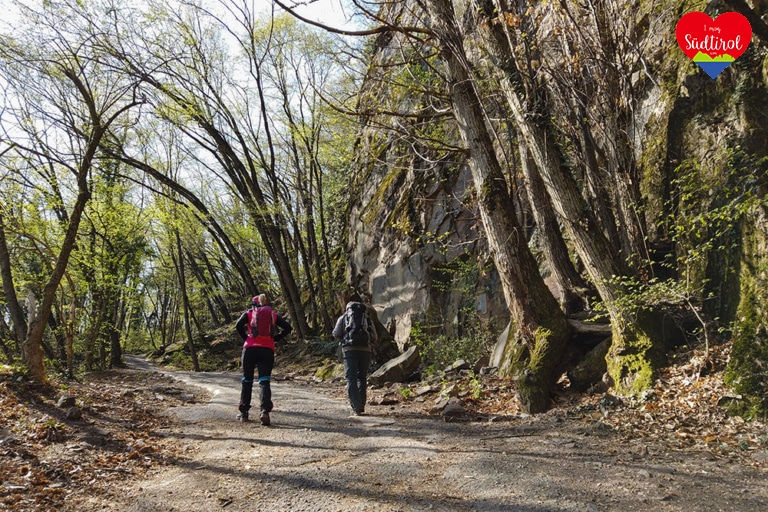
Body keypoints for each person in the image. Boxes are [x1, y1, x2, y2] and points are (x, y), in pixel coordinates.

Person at [235, 293, 292, 425]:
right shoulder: (273, 314)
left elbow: (238, 325)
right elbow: (288, 328)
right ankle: (264, 411)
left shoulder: (249, 313)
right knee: (264, 381)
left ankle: (244, 413)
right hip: (267, 350)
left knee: (247, 380)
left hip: (249, 349)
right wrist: (276, 338)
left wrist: (247, 338)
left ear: (254, 304)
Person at [333, 300, 378, 415]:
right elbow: (375, 337)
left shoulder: (343, 318)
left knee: (351, 378)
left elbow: (336, 333)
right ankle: (361, 404)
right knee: (362, 377)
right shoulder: (367, 319)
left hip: (349, 350)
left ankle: (356, 405)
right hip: (366, 350)